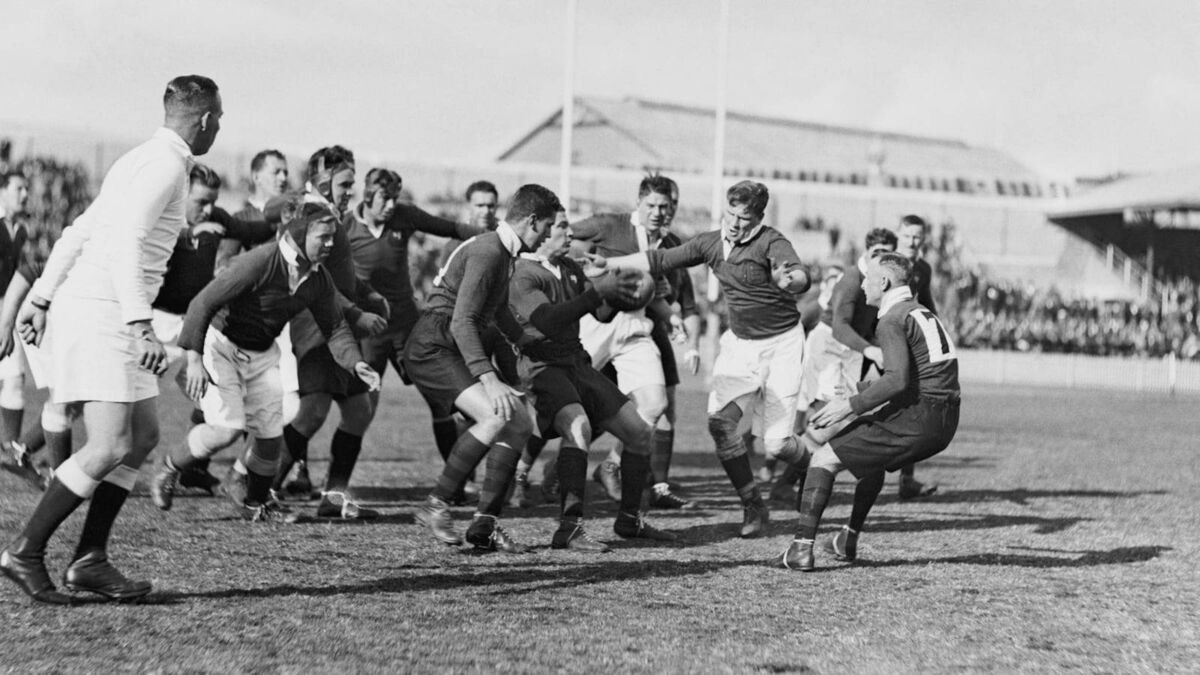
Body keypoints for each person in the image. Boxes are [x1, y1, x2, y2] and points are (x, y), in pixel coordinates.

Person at [0, 75, 222, 605]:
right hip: (107, 313)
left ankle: (90, 560)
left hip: (99, 307)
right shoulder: (166, 166)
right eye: (220, 118)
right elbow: (123, 240)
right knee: (109, 445)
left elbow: (79, 229)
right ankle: (25, 552)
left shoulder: (138, 158)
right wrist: (139, 322)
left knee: (142, 435)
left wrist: (43, 297)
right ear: (207, 120)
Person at [604, 181, 812, 538]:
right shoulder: (710, 242)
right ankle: (753, 505)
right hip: (741, 345)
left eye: (743, 218)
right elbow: (660, 260)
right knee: (720, 425)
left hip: (783, 346)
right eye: (729, 213)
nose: (733, 223)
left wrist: (790, 280)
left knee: (777, 445)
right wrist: (608, 262)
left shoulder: (773, 242)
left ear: (758, 218)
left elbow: (799, 275)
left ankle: (812, 466)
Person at [149, 204, 380, 522]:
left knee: (270, 436)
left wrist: (355, 363)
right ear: (300, 234)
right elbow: (203, 303)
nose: (330, 244)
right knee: (225, 431)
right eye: (323, 237)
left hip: (261, 353)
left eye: (333, 237)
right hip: (221, 346)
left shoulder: (316, 277)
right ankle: (170, 465)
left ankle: (255, 504)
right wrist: (194, 360)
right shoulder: (260, 261)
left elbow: (335, 325)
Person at [777, 253, 960, 571]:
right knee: (869, 459)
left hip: (919, 416)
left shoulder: (891, 319)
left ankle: (800, 549)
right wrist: (858, 393)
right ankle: (847, 538)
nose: (863, 284)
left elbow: (896, 379)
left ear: (884, 282)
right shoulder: (920, 312)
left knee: (823, 459)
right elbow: (912, 376)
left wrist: (847, 405)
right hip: (944, 419)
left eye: (868, 278)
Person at [403, 184, 559, 553]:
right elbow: (462, 321)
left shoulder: (503, 251)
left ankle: (485, 525)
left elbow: (498, 309)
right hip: (433, 344)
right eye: (548, 226)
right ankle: (436, 504)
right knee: (494, 414)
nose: (551, 234)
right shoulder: (490, 251)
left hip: (450, 343)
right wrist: (490, 380)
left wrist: (524, 341)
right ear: (532, 221)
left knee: (520, 421)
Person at [508, 211, 674, 550]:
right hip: (543, 367)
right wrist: (597, 290)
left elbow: (600, 312)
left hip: (576, 363)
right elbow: (549, 321)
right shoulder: (523, 274)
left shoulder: (569, 268)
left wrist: (626, 290)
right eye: (562, 227)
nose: (571, 233)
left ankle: (629, 520)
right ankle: (568, 527)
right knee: (578, 428)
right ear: (539, 230)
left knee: (639, 433)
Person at [341, 168, 482, 512]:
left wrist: (491, 239)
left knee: (439, 399)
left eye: (395, 198)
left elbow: (450, 228)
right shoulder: (345, 227)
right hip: (372, 330)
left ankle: (457, 484)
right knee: (363, 408)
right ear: (367, 195)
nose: (390, 205)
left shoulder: (403, 217)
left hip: (407, 326)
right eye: (384, 198)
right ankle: (336, 488)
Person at [270, 146, 388, 519]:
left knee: (359, 409)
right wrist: (358, 313)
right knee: (313, 411)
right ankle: (261, 489)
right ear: (322, 181)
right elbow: (311, 277)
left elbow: (339, 274)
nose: (351, 190)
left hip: (339, 324)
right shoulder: (305, 214)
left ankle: (333, 498)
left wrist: (367, 295)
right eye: (345, 183)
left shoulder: (331, 215)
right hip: (314, 324)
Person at [567, 175, 693, 509]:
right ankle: (522, 473)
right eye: (651, 205)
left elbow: (661, 293)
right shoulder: (609, 224)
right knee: (564, 394)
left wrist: (673, 317)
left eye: (664, 206)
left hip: (637, 325)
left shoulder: (669, 244)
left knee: (655, 405)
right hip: (597, 321)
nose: (657, 212)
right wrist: (582, 274)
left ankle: (610, 465)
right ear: (638, 202)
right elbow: (563, 234)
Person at [892, 214, 939, 499]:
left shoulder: (923, 268)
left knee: (912, 411)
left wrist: (939, 328)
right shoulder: (885, 263)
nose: (912, 241)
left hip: (906, 345)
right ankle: (793, 475)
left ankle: (907, 480)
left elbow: (927, 302)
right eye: (907, 235)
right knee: (845, 409)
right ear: (898, 234)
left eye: (917, 236)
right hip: (875, 343)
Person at [214, 149, 289, 272]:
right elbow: (225, 260)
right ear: (256, 177)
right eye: (276, 172)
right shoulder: (241, 218)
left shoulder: (292, 214)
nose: (283, 178)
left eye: (285, 173)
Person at [0, 172, 30, 461]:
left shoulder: (19, 229)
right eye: (19, 188)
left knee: (14, 376)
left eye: (26, 189)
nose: (25, 194)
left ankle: (10, 449)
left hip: (6, 309)